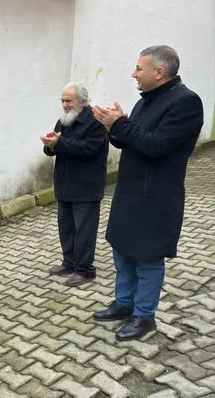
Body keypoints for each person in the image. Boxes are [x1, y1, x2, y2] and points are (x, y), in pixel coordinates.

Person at [92, 45, 203, 341]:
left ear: (159, 71)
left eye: (138, 69)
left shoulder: (186, 103)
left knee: (148, 258)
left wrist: (121, 124)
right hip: (130, 192)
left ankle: (144, 317)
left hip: (156, 197)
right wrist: (112, 127)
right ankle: (124, 303)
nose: (133, 74)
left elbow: (156, 146)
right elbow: (133, 141)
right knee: (123, 251)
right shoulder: (146, 101)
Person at [41, 82, 108, 287]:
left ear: (83, 102)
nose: (65, 104)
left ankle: (85, 270)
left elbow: (88, 148)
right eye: (62, 100)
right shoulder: (63, 121)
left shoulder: (96, 122)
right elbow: (55, 148)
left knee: (84, 231)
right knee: (66, 228)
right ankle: (69, 262)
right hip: (65, 184)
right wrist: (50, 145)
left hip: (86, 186)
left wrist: (59, 144)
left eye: (68, 100)